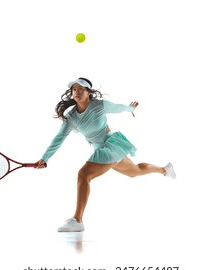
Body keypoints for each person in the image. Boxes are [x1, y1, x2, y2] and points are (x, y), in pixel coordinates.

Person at [35, 78, 176, 232]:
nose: (76, 92)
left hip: (111, 145)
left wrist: (131, 109)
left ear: (89, 92)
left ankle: (78, 220)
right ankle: (165, 170)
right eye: (74, 89)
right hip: (101, 150)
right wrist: (44, 158)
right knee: (134, 171)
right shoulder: (72, 117)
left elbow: (119, 108)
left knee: (84, 175)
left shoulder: (99, 105)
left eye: (81, 88)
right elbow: (59, 138)